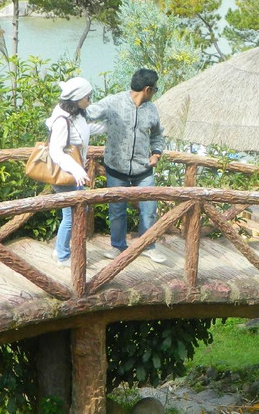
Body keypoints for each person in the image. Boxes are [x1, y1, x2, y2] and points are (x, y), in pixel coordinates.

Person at [85, 68, 167, 263]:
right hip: (116, 168)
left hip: (143, 169)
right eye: (155, 89)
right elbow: (89, 113)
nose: (154, 92)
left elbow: (157, 135)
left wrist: (156, 154)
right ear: (147, 89)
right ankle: (118, 246)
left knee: (149, 208)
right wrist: (66, 111)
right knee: (116, 210)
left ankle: (148, 246)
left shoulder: (151, 110)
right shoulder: (114, 103)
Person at [45, 77, 102, 267]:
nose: (90, 101)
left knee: (77, 210)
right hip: (66, 173)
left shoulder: (76, 115)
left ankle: (61, 250)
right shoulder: (62, 120)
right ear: (77, 98)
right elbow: (55, 151)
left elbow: (83, 131)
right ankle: (62, 254)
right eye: (87, 97)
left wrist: (110, 125)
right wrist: (77, 169)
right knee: (72, 213)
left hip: (74, 172)